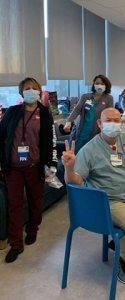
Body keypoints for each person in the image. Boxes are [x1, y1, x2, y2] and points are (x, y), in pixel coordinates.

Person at [62, 108, 125, 284]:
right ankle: (123, 261)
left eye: (117, 120)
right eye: (109, 120)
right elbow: (75, 182)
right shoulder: (90, 149)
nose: (114, 124)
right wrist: (69, 167)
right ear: (100, 124)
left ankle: (122, 248)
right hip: (109, 201)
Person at [0, 77, 57, 263]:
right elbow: (1, 136)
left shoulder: (45, 113)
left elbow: (51, 141)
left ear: (39, 91)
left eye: (34, 88)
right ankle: (16, 243)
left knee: (34, 200)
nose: (30, 91)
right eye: (27, 88)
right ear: (21, 92)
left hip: (35, 166)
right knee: (14, 205)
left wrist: (52, 165)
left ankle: (32, 229)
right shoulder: (13, 112)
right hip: (13, 168)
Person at [64, 74, 113, 153]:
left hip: (96, 132)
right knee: (73, 153)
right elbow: (77, 109)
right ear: (93, 84)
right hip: (81, 131)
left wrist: (104, 132)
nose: (99, 85)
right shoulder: (86, 96)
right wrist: (69, 121)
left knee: (90, 156)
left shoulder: (108, 98)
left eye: (102, 84)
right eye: (97, 83)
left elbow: (109, 115)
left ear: (106, 85)